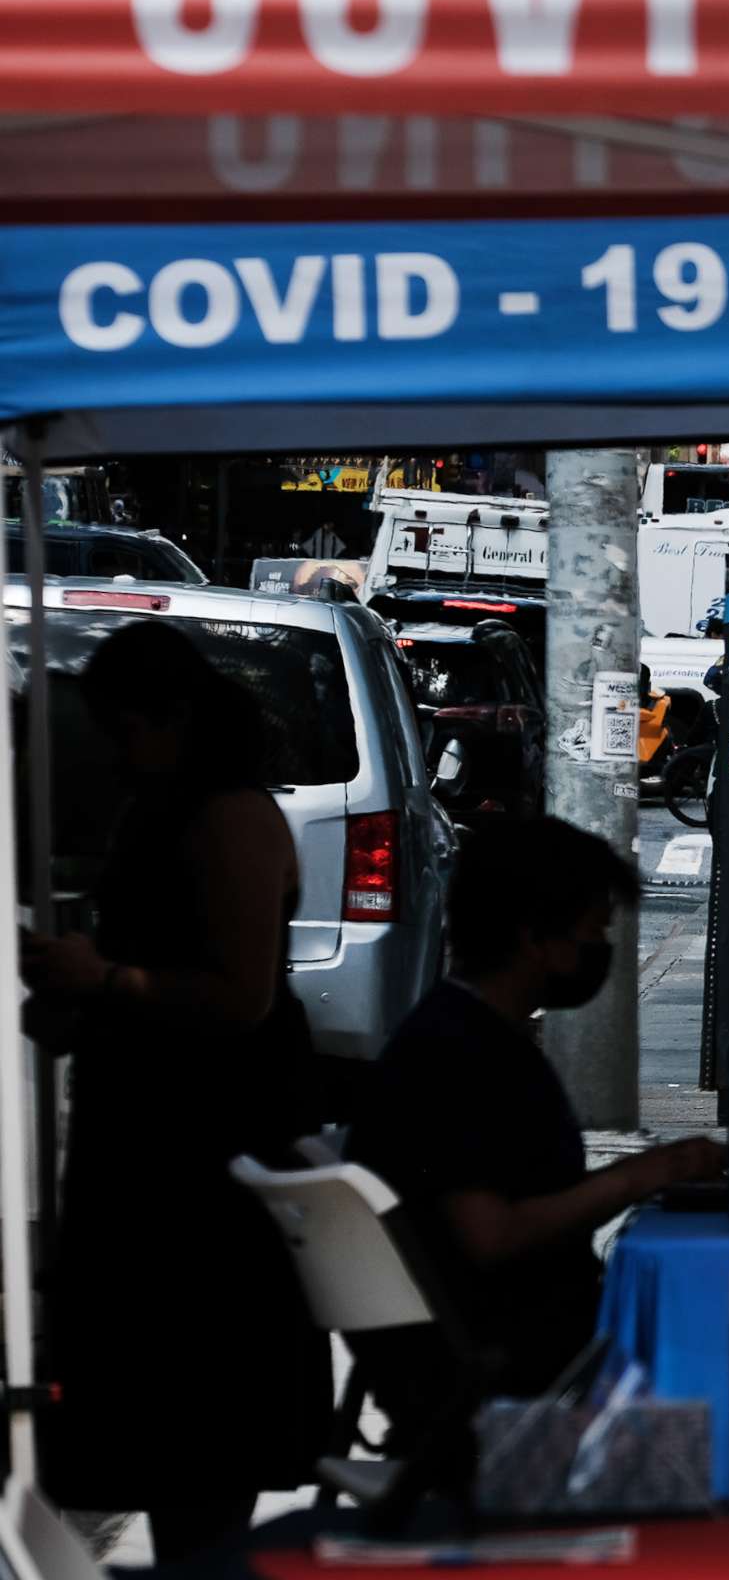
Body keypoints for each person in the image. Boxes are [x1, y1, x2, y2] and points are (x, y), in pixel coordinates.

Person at [21, 622, 331, 1563]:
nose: (116, 754)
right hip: (152, 1135)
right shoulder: (163, 805)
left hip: (202, 1148)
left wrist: (106, 982)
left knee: (198, 1411)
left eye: (126, 730)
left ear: (172, 718)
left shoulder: (230, 815)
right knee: (159, 1415)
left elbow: (239, 994)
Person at [350, 819, 728, 1397]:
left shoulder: (468, 1035)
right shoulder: (460, 1054)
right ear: (534, 937)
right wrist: (647, 1174)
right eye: (592, 931)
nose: (600, 950)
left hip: (528, 1355)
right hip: (522, 1384)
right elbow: (491, 1235)